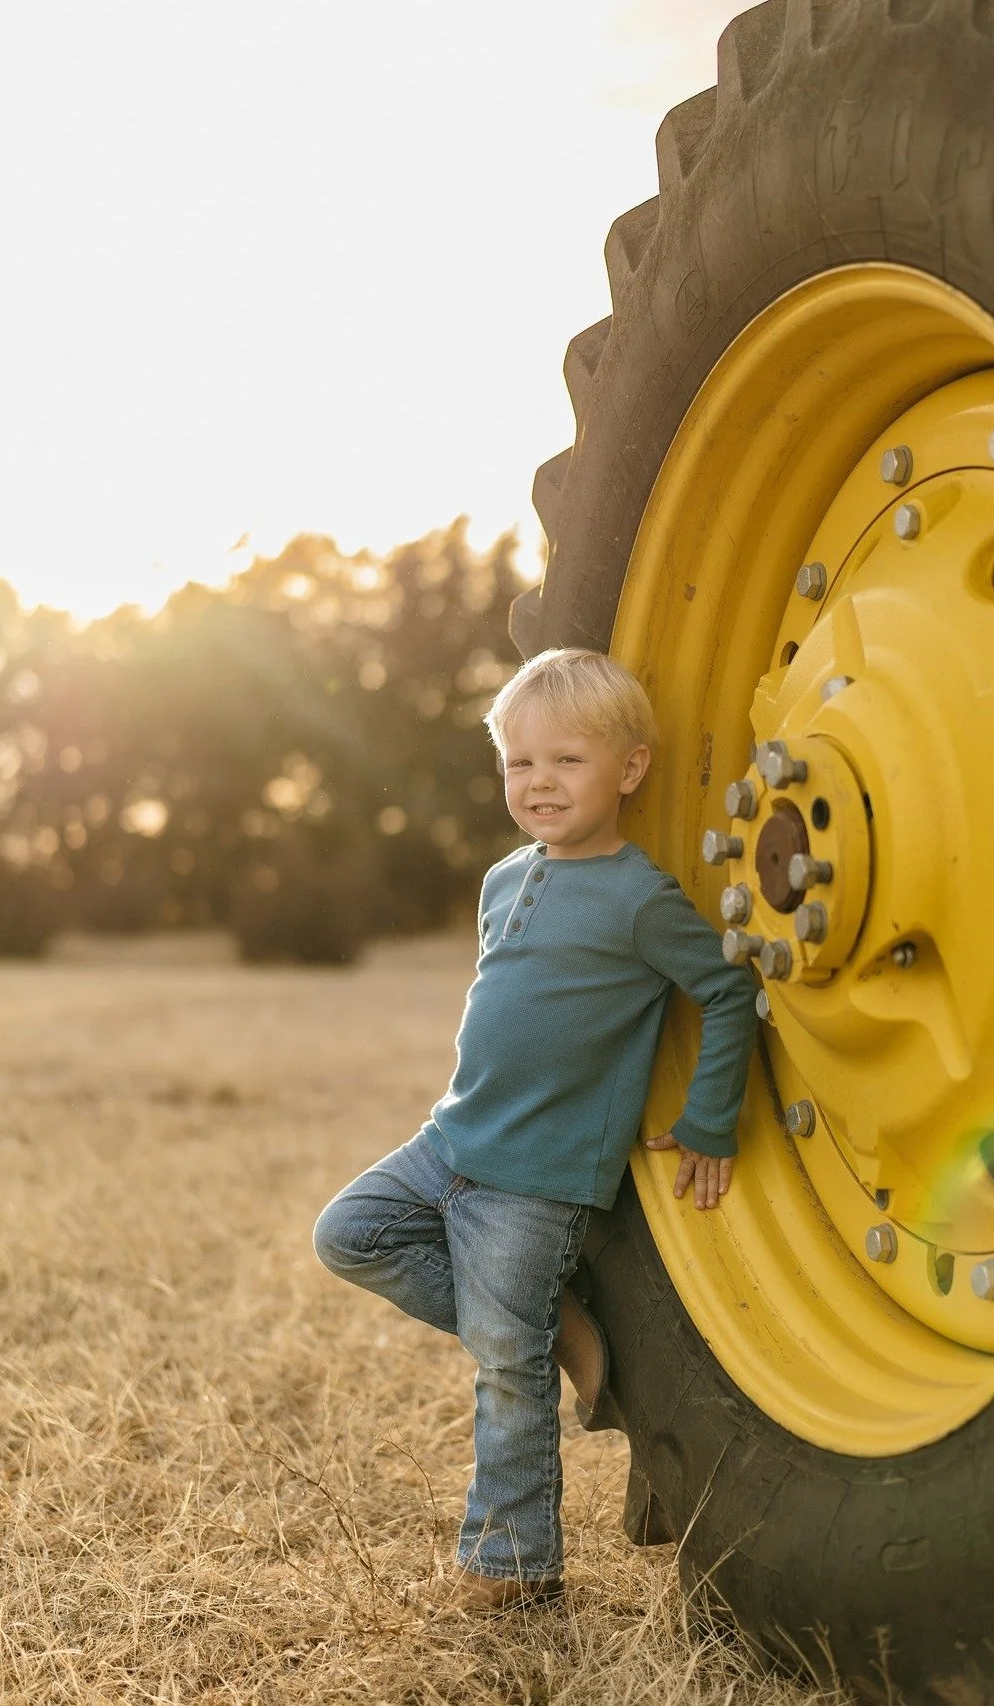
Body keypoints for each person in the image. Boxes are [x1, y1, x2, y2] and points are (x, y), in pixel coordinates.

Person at [313, 647, 757, 1615]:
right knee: (346, 1233)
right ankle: (556, 1322)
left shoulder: (641, 898)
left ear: (628, 769)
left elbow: (728, 990)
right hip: (451, 1141)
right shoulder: (504, 876)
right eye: (520, 763)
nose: (539, 783)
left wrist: (710, 1121)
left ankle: (514, 1562)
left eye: (567, 761)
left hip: (537, 1179)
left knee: (504, 1375)